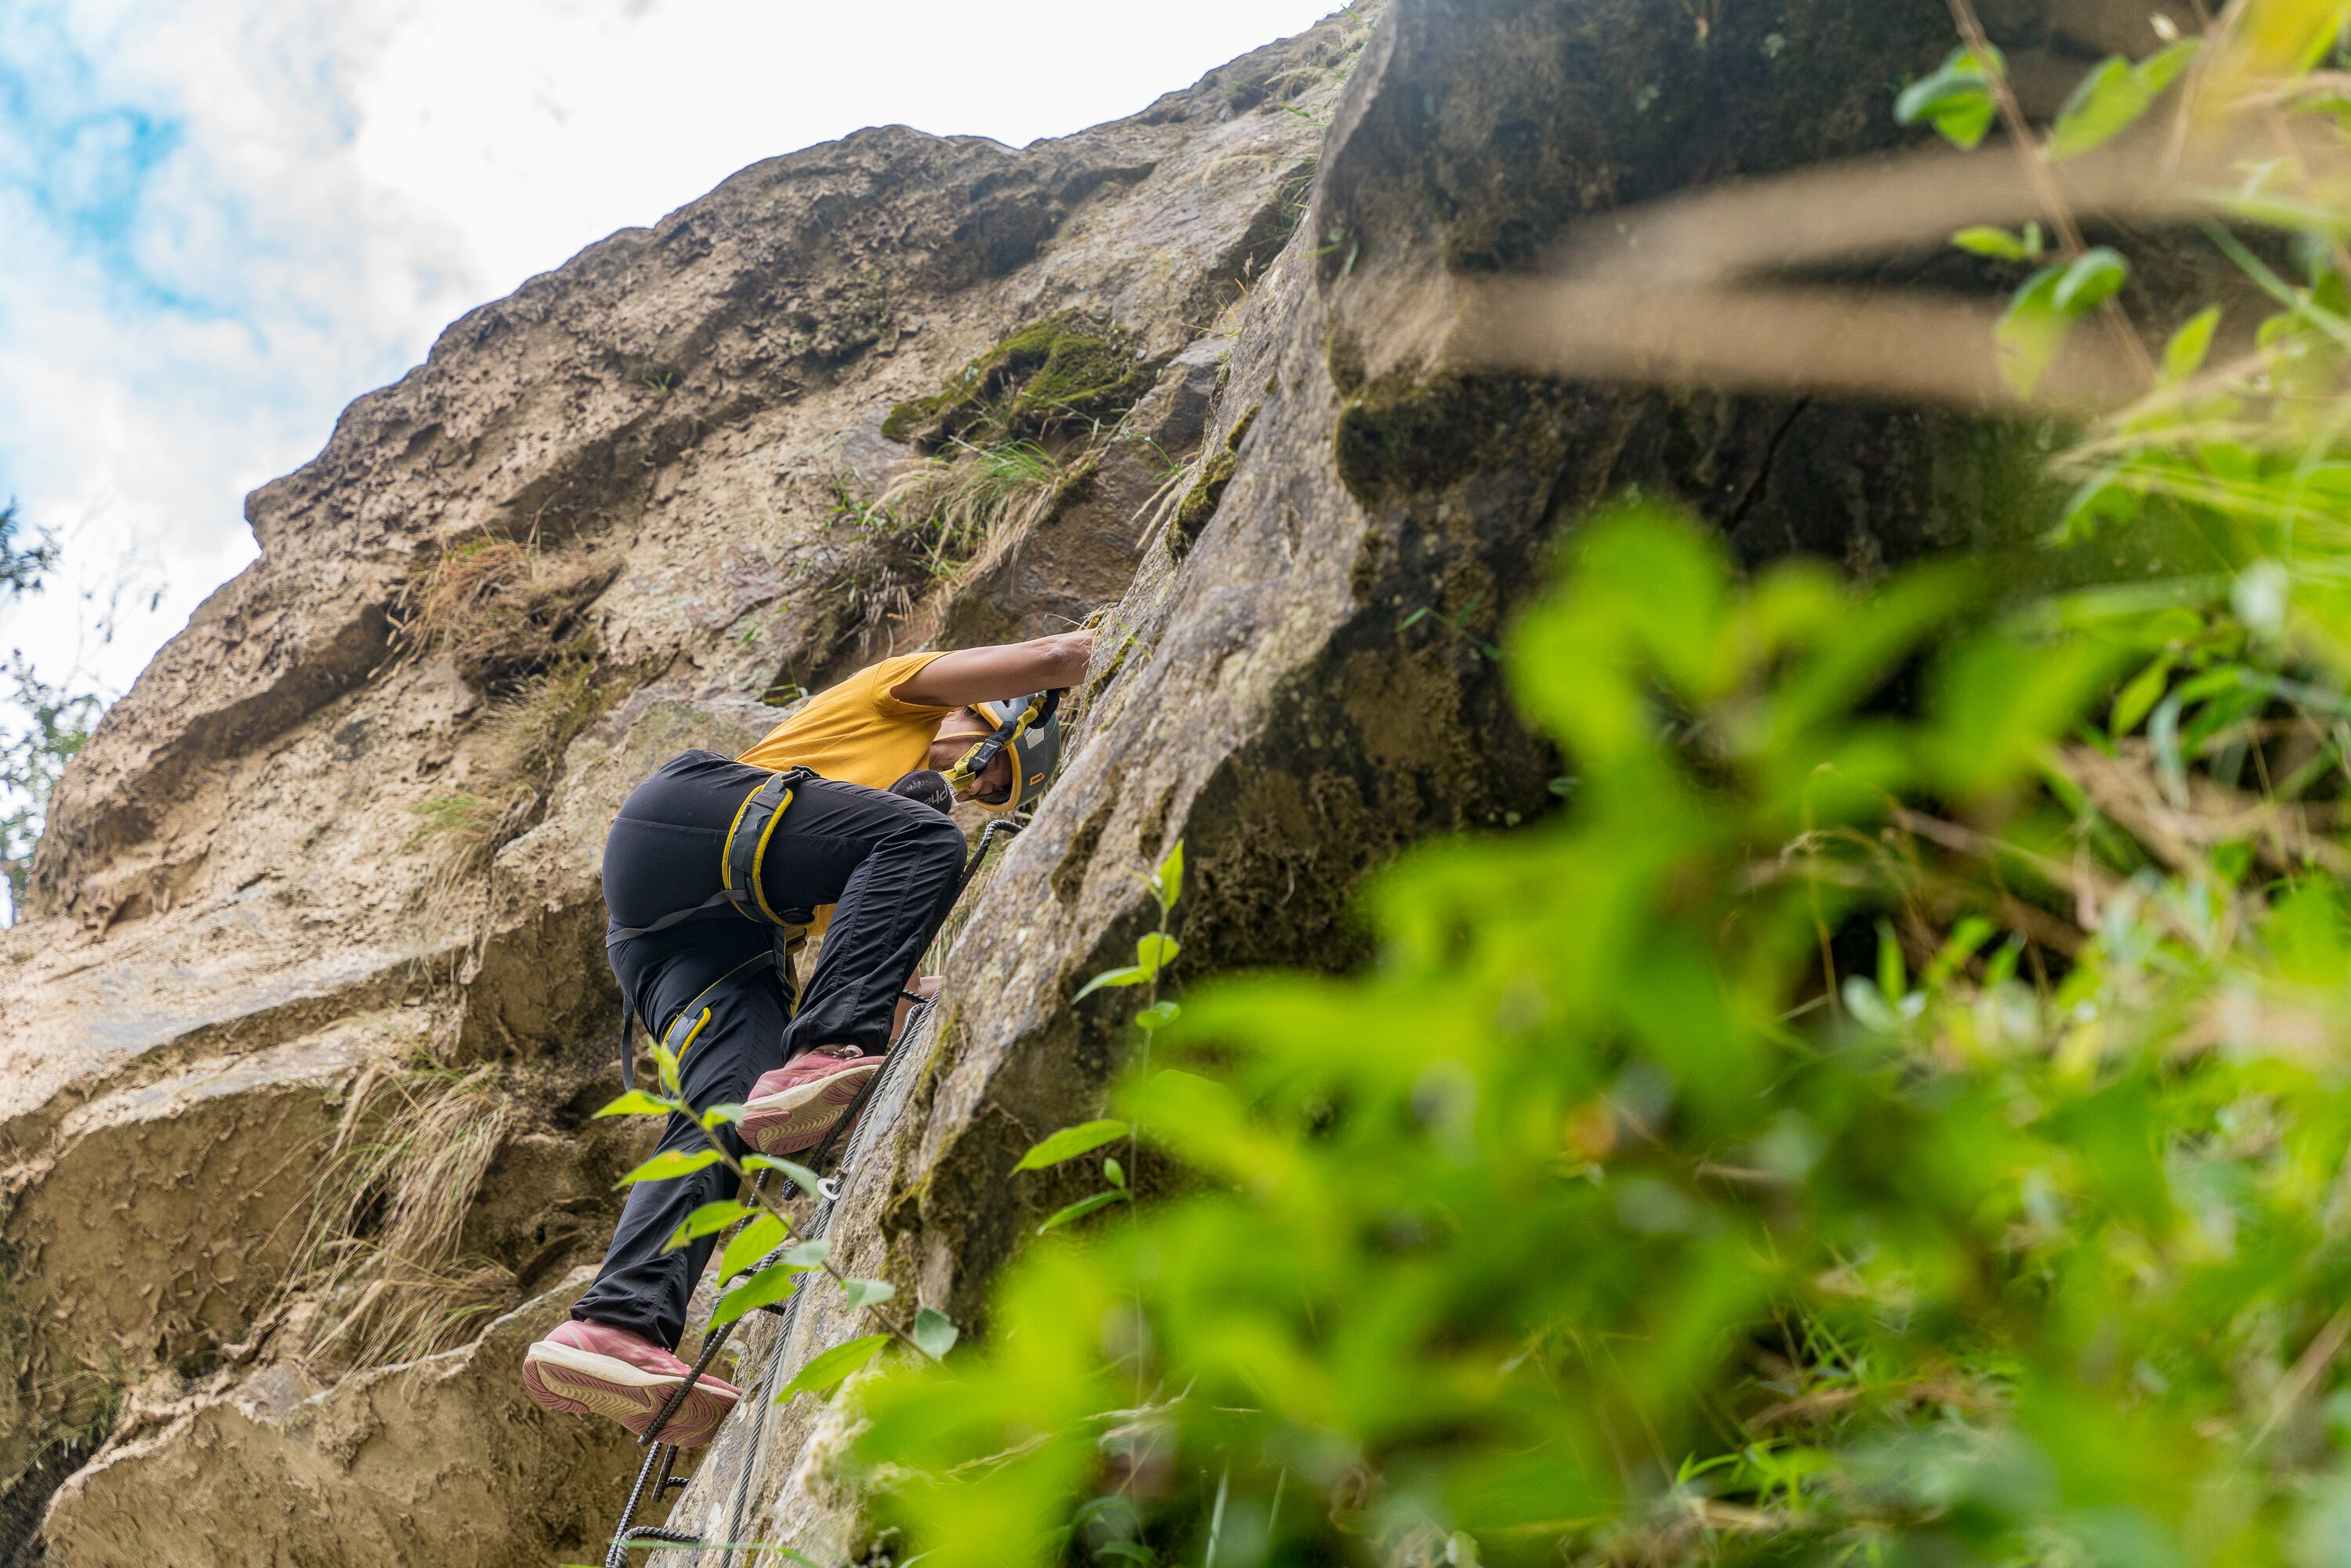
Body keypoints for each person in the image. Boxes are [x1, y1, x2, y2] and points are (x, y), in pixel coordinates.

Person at [520, 631, 1089, 1444]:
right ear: (977, 716)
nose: (970, 785)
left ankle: (614, 1327)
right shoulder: (895, 694)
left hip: (687, 932)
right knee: (923, 836)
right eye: (986, 766)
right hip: (692, 821)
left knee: (725, 1111)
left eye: (991, 792)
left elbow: (877, 979)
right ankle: (811, 1059)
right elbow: (1054, 661)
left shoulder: (855, 842)